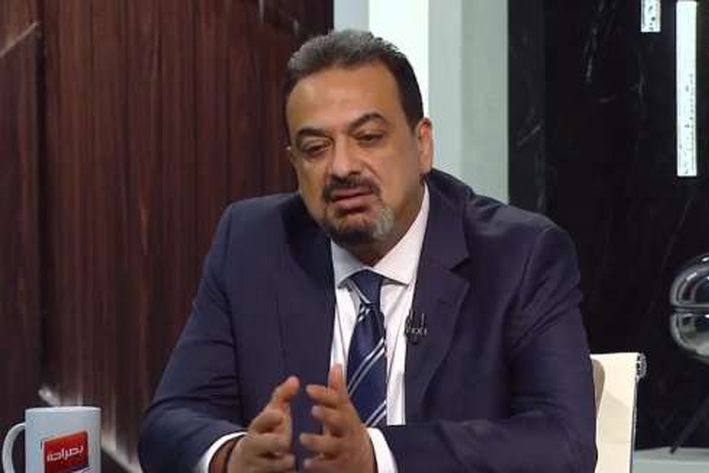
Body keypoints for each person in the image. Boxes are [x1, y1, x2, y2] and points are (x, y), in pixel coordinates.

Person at [138, 29, 596, 473]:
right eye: (316, 148)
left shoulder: (520, 256)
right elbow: (169, 422)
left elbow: (563, 442)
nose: (341, 167)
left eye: (369, 137)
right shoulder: (252, 244)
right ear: (294, 164)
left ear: (422, 145)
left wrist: (378, 456)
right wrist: (232, 457)